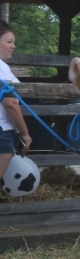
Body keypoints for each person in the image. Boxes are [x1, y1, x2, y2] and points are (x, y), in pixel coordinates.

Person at [0, 21, 33, 179]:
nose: (13, 46)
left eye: (13, 42)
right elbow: (10, 103)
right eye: (9, 42)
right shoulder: (1, 67)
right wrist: (24, 132)